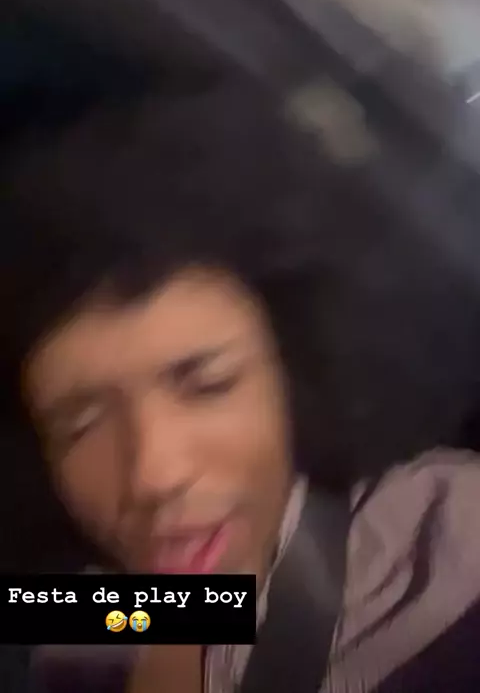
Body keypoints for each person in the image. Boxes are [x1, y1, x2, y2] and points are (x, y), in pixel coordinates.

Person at [2, 71, 480, 693]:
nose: (153, 474)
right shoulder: (78, 615)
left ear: (296, 369)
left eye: (209, 385)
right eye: (81, 424)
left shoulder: (444, 550)